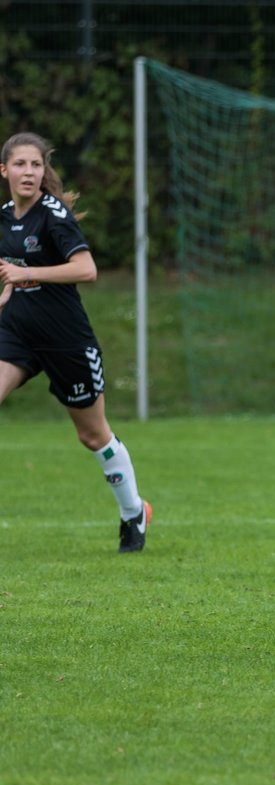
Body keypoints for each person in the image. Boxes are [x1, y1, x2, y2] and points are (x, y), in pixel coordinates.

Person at [0, 132, 151, 553]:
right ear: (4, 171)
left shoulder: (53, 215)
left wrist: (26, 275)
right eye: (20, 164)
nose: (28, 172)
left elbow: (86, 269)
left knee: (92, 435)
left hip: (65, 339)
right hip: (16, 335)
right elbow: (8, 272)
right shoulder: (3, 218)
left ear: (42, 171)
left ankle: (133, 512)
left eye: (35, 165)